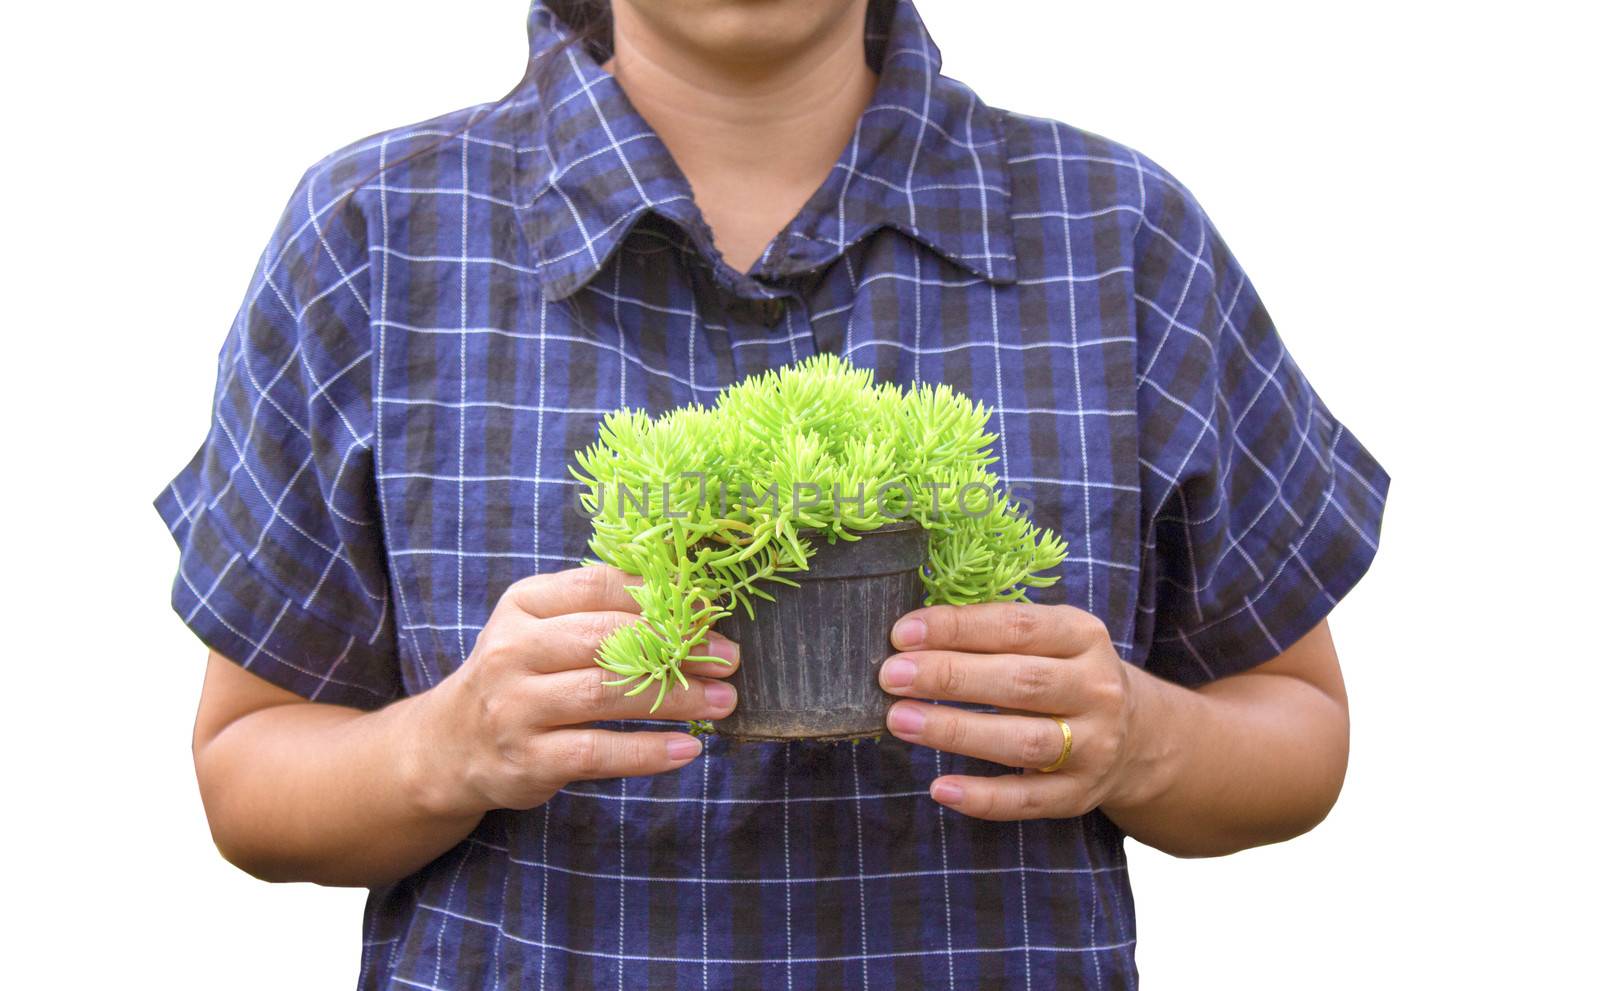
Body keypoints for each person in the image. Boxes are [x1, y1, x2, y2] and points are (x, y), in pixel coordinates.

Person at [154, 0, 1389, 987]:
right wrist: (454, 742)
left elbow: (1297, 731)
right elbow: (248, 776)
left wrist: (1139, 735)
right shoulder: (377, 236)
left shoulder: (1120, 235)